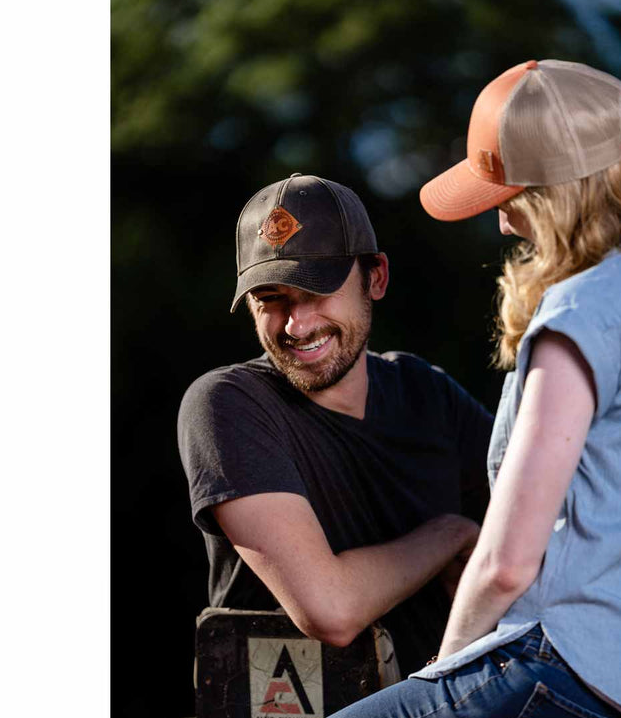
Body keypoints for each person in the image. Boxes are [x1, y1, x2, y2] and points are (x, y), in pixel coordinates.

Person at [231, 59, 621, 718]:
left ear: (554, 195)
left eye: (509, 195)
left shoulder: (578, 317)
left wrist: (444, 670)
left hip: (566, 666)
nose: (500, 218)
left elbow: (509, 558)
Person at [177, 173, 493, 677]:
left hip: (444, 713)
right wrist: (453, 535)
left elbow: (551, 526)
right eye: (271, 298)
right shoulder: (228, 404)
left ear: (376, 278)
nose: (296, 325)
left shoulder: (426, 393)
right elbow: (331, 610)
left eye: (317, 290)